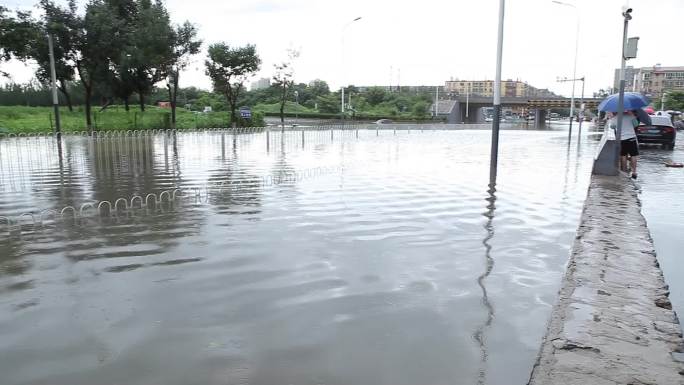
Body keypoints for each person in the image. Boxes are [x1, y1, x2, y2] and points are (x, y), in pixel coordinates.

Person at [609, 111, 639, 179]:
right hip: (632, 138)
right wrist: (632, 115)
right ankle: (634, 172)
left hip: (622, 139)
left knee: (623, 155)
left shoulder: (615, 118)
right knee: (633, 155)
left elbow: (612, 127)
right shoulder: (630, 115)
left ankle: (624, 172)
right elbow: (636, 124)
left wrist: (612, 118)